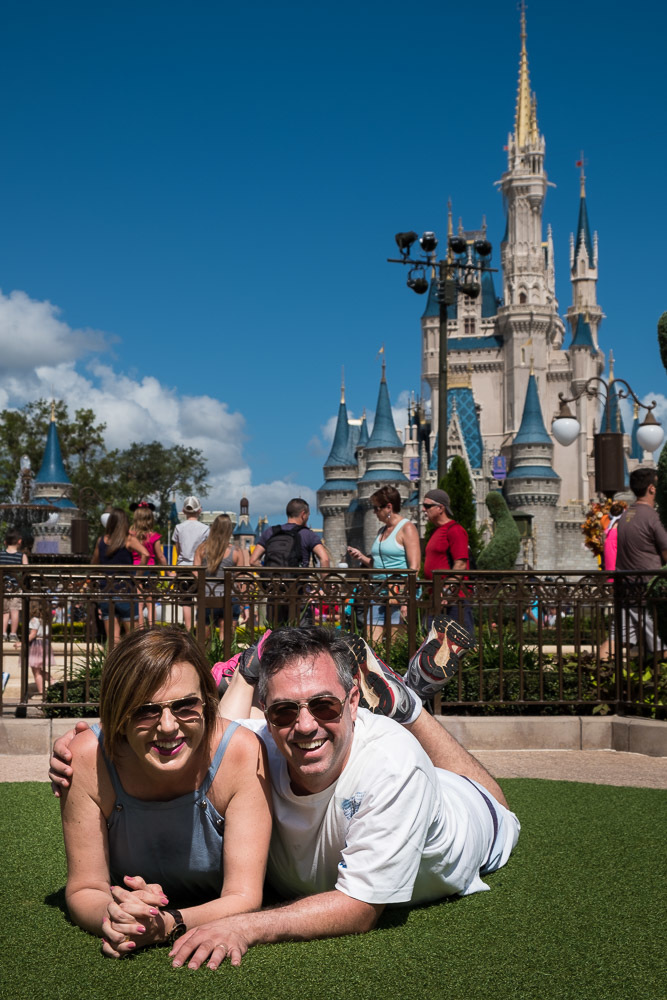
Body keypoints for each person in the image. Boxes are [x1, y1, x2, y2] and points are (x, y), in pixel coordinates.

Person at [49, 622, 511, 971]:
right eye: (286, 709)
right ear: (266, 714)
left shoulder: (396, 767)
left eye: (325, 705)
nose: (304, 724)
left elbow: (361, 907)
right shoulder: (259, 743)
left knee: (495, 803)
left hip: (470, 821)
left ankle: (408, 704)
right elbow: (194, 730)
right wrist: (86, 739)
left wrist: (242, 925)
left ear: (353, 702)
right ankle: (264, 671)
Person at [58, 626, 272, 958]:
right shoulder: (86, 758)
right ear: (118, 713)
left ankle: (245, 674)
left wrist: (168, 923)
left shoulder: (242, 754)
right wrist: (116, 917)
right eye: (146, 710)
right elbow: (85, 887)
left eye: (186, 705)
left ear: (206, 700)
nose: (168, 726)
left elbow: (244, 896)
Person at [346, 486, 420, 641]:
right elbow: (378, 564)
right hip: (378, 591)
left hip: (398, 591)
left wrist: (406, 598)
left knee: (396, 642)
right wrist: (361, 557)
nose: (374, 512)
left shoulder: (407, 528)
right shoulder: (382, 531)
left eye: (376, 508)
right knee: (372, 642)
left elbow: (414, 567)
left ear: (389, 507)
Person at [250, 498, 330, 625]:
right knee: (302, 637)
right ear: (303, 514)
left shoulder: (270, 532)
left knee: (276, 634)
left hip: (275, 593)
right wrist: (325, 588)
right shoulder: (307, 534)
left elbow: (253, 560)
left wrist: (267, 576)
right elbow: (324, 558)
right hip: (299, 593)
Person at [615, 467, 667, 655]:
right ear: (652, 488)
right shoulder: (653, 517)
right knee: (661, 647)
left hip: (625, 590)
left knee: (618, 643)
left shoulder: (625, 516)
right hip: (648, 590)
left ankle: (596, 678)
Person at [91, 508, 150, 643]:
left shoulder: (101, 540)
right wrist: (138, 575)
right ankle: (132, 664)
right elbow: (145, 554)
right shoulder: (128, 539)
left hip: (107, 591)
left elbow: (94, 563)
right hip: (126, 591)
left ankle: (112, 664)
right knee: (133, 639)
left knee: (113, 639)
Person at [422, 488, 474, 637]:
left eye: (427, 506)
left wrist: (446, 591)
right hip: (438, 598)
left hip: (454, 599)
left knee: (460, 643)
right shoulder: (435, 531)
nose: (423, 510)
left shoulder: (454, 530)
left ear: (440, 508)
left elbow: (460, 564)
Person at [193, 514, 249, 638]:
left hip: (207, 597)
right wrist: (245, 605)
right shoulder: (236, 552)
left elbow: (195, 573)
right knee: (226, 642)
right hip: (229, 598)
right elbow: (241, 581)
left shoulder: (201, 549)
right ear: (230, 530)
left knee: (204, 641)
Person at [172, 497, 210, 630]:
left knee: (186, 601)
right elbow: (206, 550)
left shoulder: (178, 528)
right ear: (199, 510)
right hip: (199, 568)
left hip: (183, 567)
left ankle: (188, 630)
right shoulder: (205, 529)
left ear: (183, 511)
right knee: (201, 599)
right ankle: (200, 628)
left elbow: (178, 548)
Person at [129, 501, 168, 625]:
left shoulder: (130, 536)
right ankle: (151, 631)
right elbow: (160, 557)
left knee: (138, 604)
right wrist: (168, 571)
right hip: (149, 570)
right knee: (150, 603)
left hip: (134, 570)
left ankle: (139, 631)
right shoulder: (154, 536)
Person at [1, 529, 28, 640]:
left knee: (4, 612)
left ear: (5, 542)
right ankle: (13, 634)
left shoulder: (1, 555)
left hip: (2, 587)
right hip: (16, 587)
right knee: (15, 611)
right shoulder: (21, 556)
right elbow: (26, 571)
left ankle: (3, 634)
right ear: (20, 541)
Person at [27, 598, 53, 695]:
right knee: (38, 669)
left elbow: (33, 634)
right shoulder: (45, 620)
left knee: (36, 672)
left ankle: (42, 692)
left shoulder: (34, 620)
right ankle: (51, 680)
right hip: (44, 644)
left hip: (36, 644)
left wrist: (22, 643)